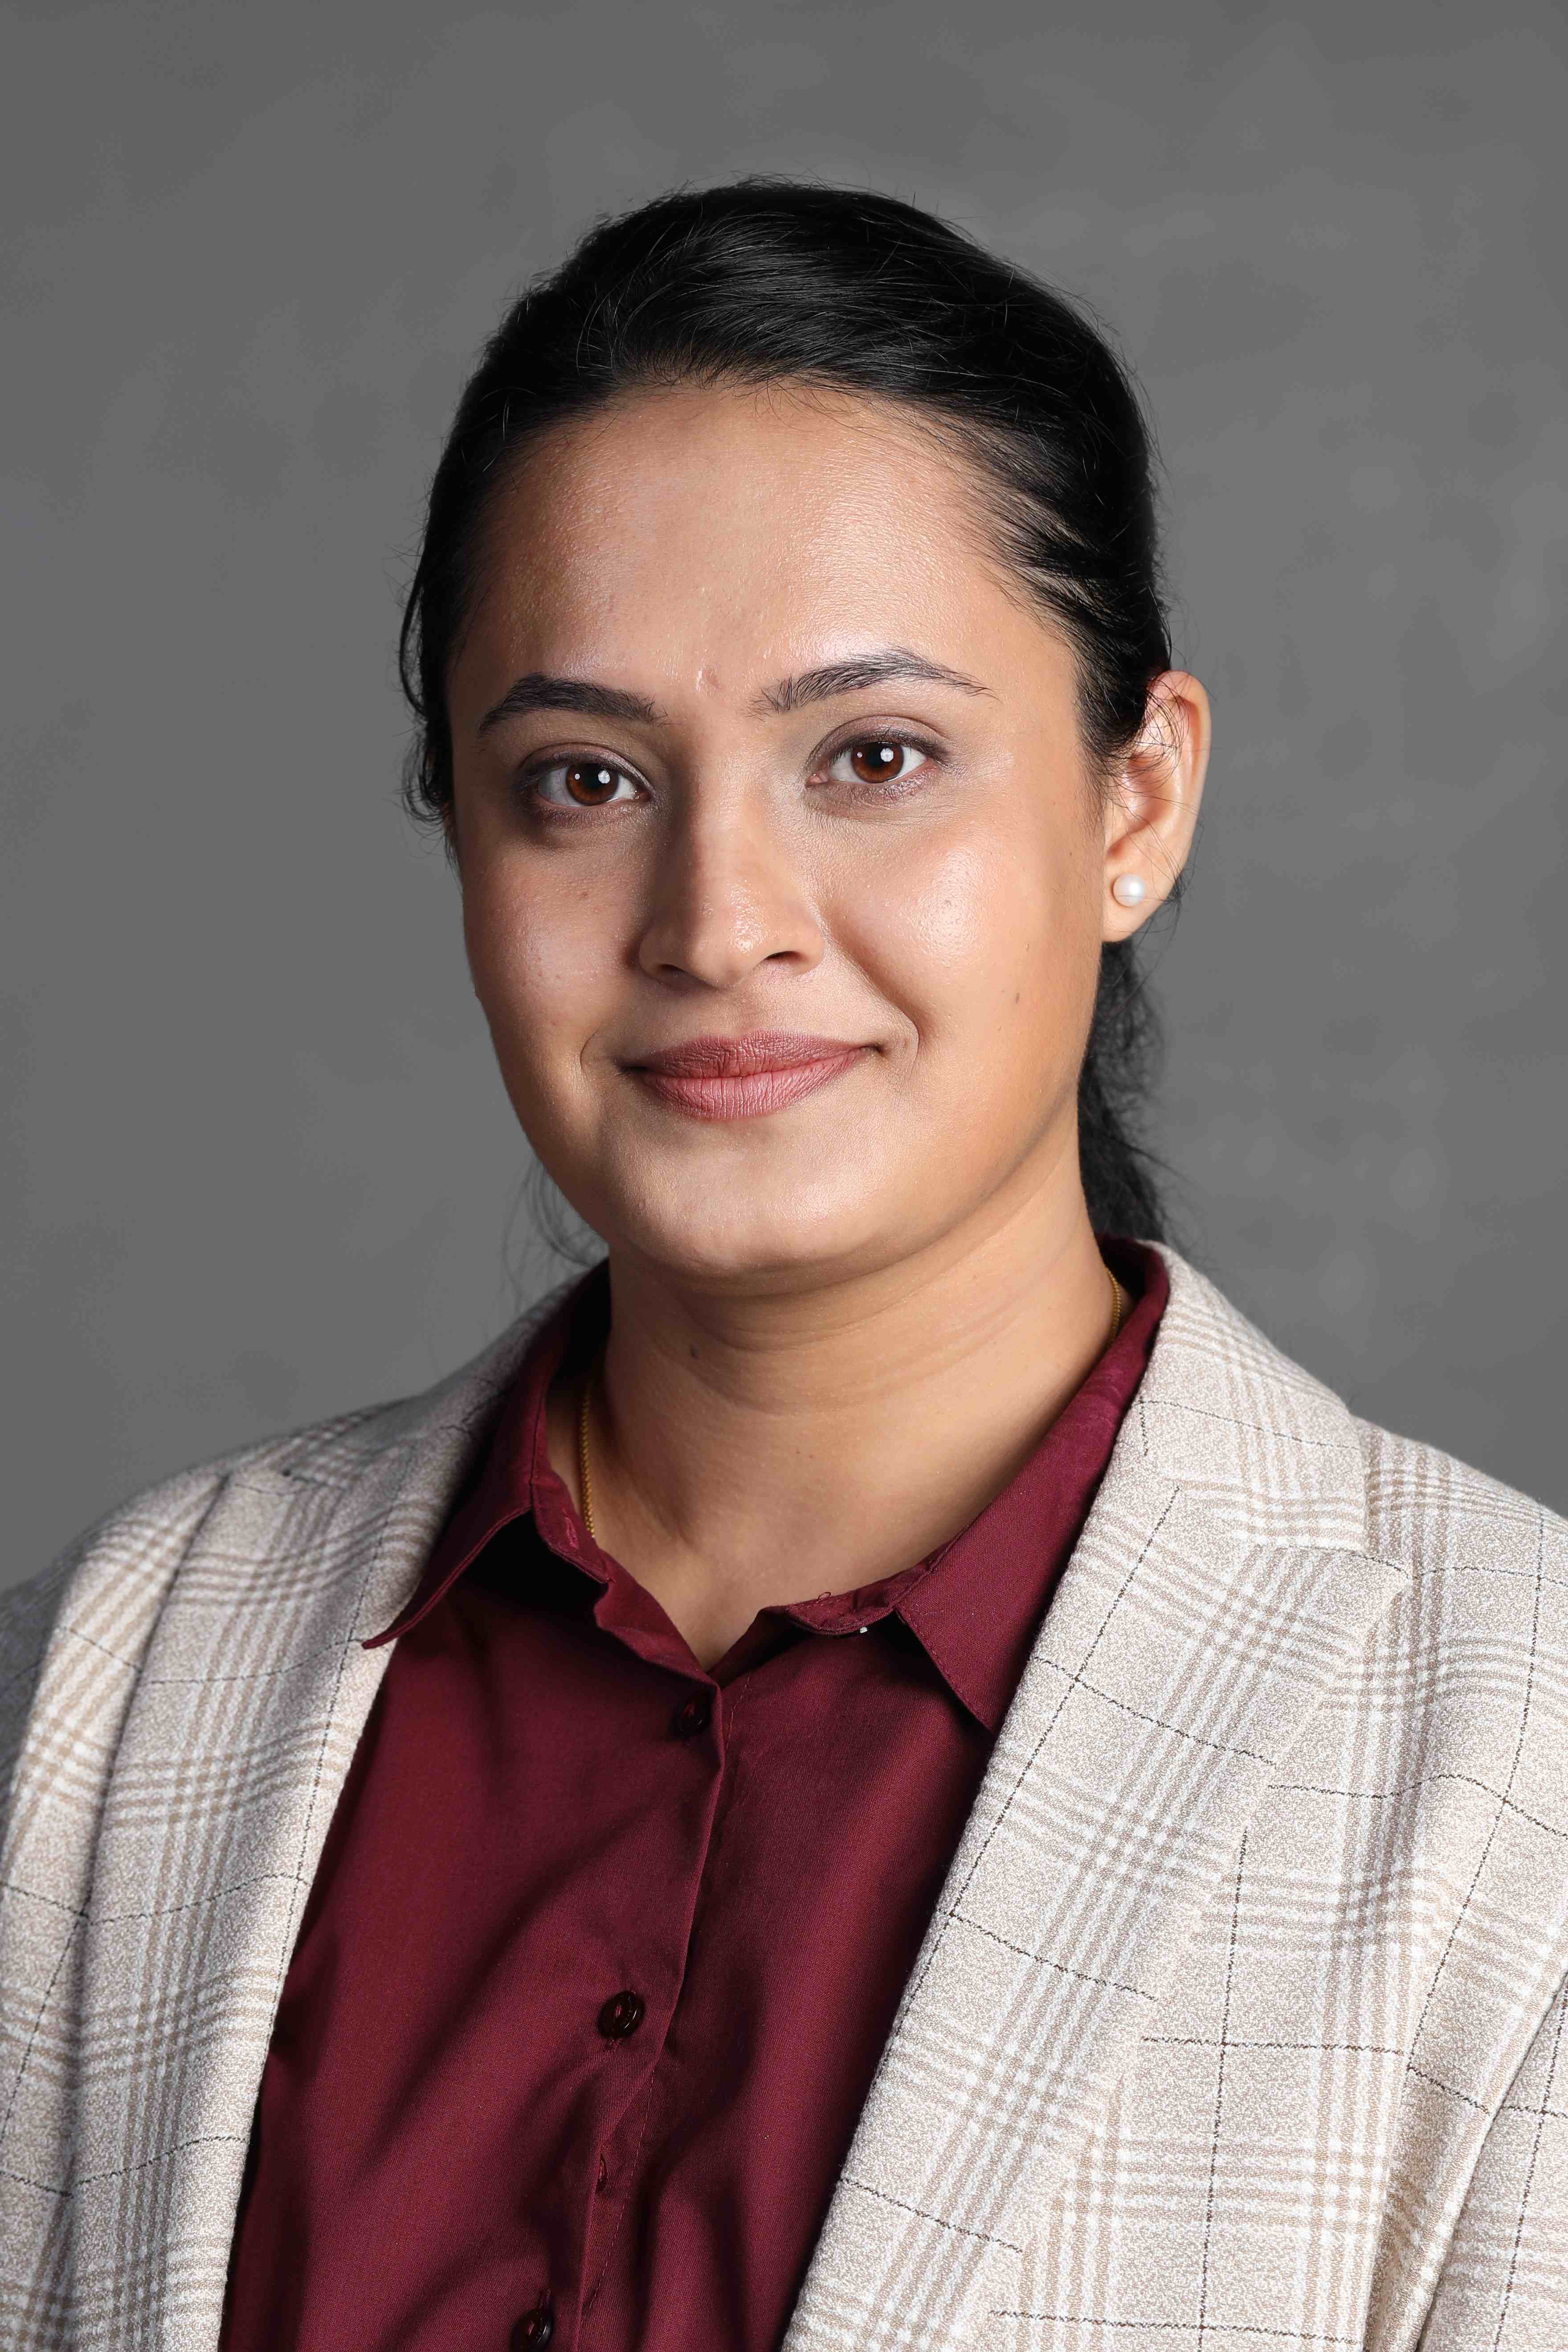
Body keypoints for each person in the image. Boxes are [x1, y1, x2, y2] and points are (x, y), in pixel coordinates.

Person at [2, 181, 1564, 2352]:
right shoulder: (107, 1682)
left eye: (873, 758)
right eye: (582, 778)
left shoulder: (1513, 1758)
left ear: (1134, 804)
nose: (717, 918)